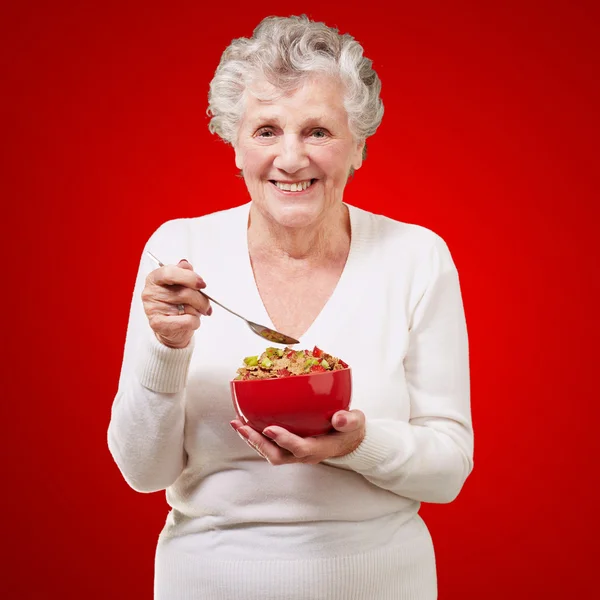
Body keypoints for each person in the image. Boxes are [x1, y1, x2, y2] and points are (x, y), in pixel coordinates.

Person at [107, 14, 474, 600]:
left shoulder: (417, 257)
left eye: (319, 132)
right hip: (208, 581)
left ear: (359, 146)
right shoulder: (179, 254)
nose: (291, 158)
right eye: (267, 130)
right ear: (234, 145)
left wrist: (356, 445)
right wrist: (165, 349)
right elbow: (142, 473)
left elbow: (449, 467)